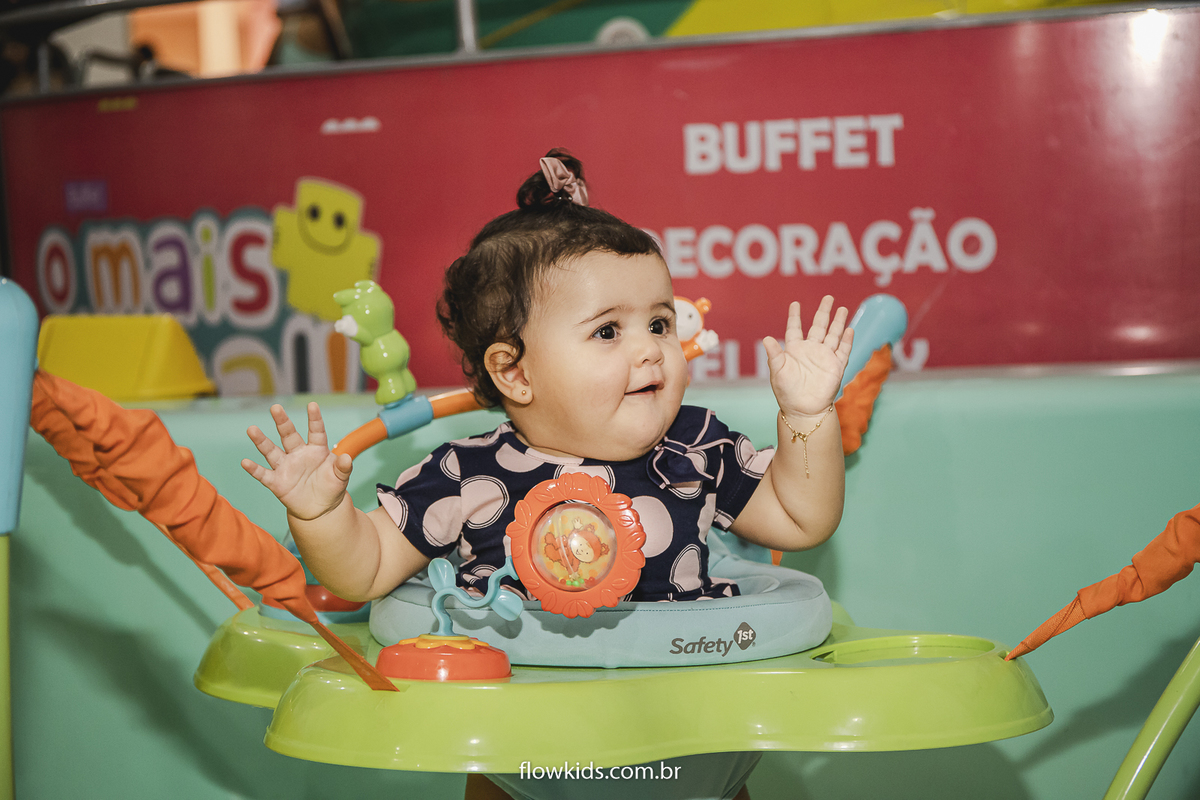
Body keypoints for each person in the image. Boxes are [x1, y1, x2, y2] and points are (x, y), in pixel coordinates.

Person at [242, 149, 853, 800]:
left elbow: (800, 519)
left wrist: (807, 417)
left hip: (690, 737)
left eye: (659, 323)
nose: (650, 348)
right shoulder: (467, 476)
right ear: (515, 372)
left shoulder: (698, 447)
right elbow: (363, 571)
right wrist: (319, 513)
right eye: (608, 331)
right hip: (521, 751)